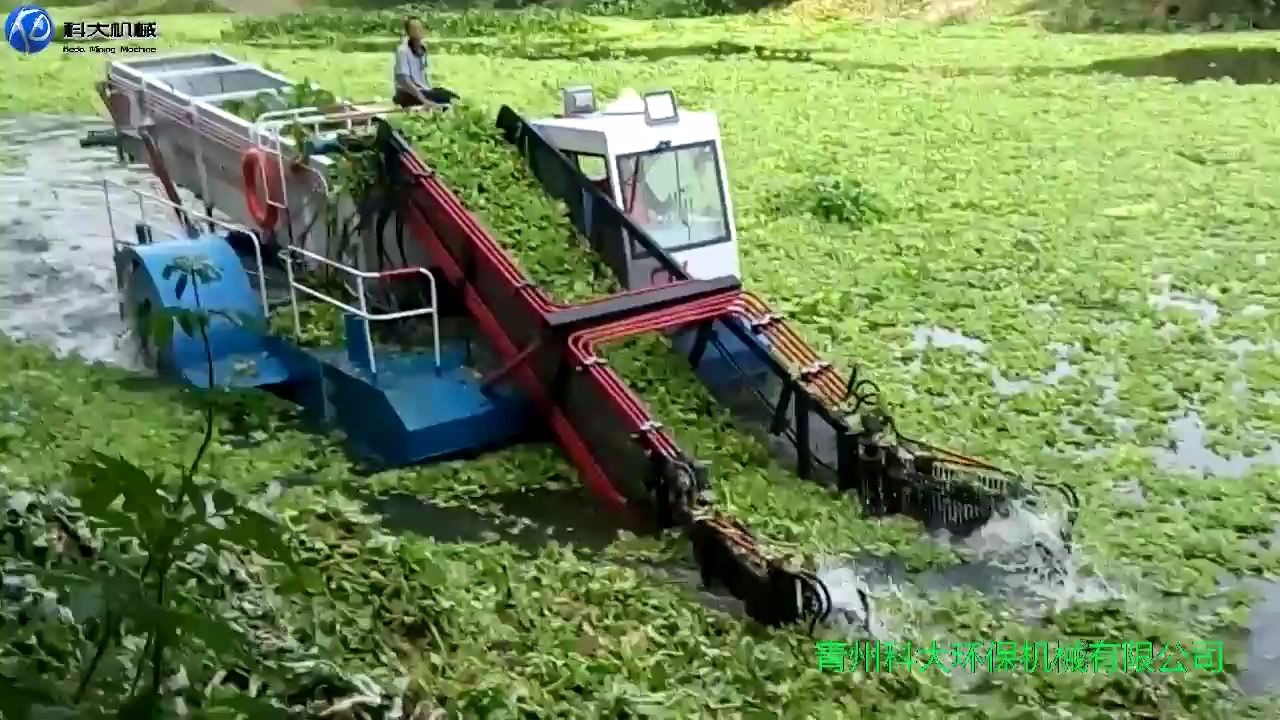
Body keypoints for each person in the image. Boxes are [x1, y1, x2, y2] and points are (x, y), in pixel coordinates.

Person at [392, 17, 459, 108]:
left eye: (420, 28)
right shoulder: (403, 50)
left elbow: (422, 78)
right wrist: (424, 100)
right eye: (414, 29)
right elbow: (403, 81)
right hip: (407, 94)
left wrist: (430, 91)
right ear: (408, 32)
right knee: (447, 100)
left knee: (453, 97)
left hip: (422, 90)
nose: (418, 31)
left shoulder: (422, 49)